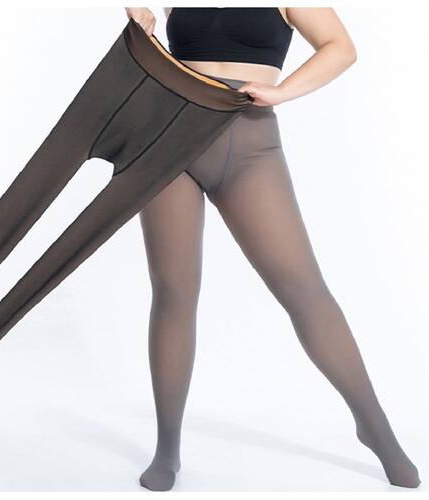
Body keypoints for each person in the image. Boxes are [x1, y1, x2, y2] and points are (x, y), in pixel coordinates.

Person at [124, 6, 421, 492]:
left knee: (305, 292)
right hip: (168, 135)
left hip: (250, 145)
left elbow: (341, 48)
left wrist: (284, 91)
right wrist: (144, 32)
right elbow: (151, 58)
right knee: (174, 292)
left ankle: (376, 429)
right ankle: (168, 446)